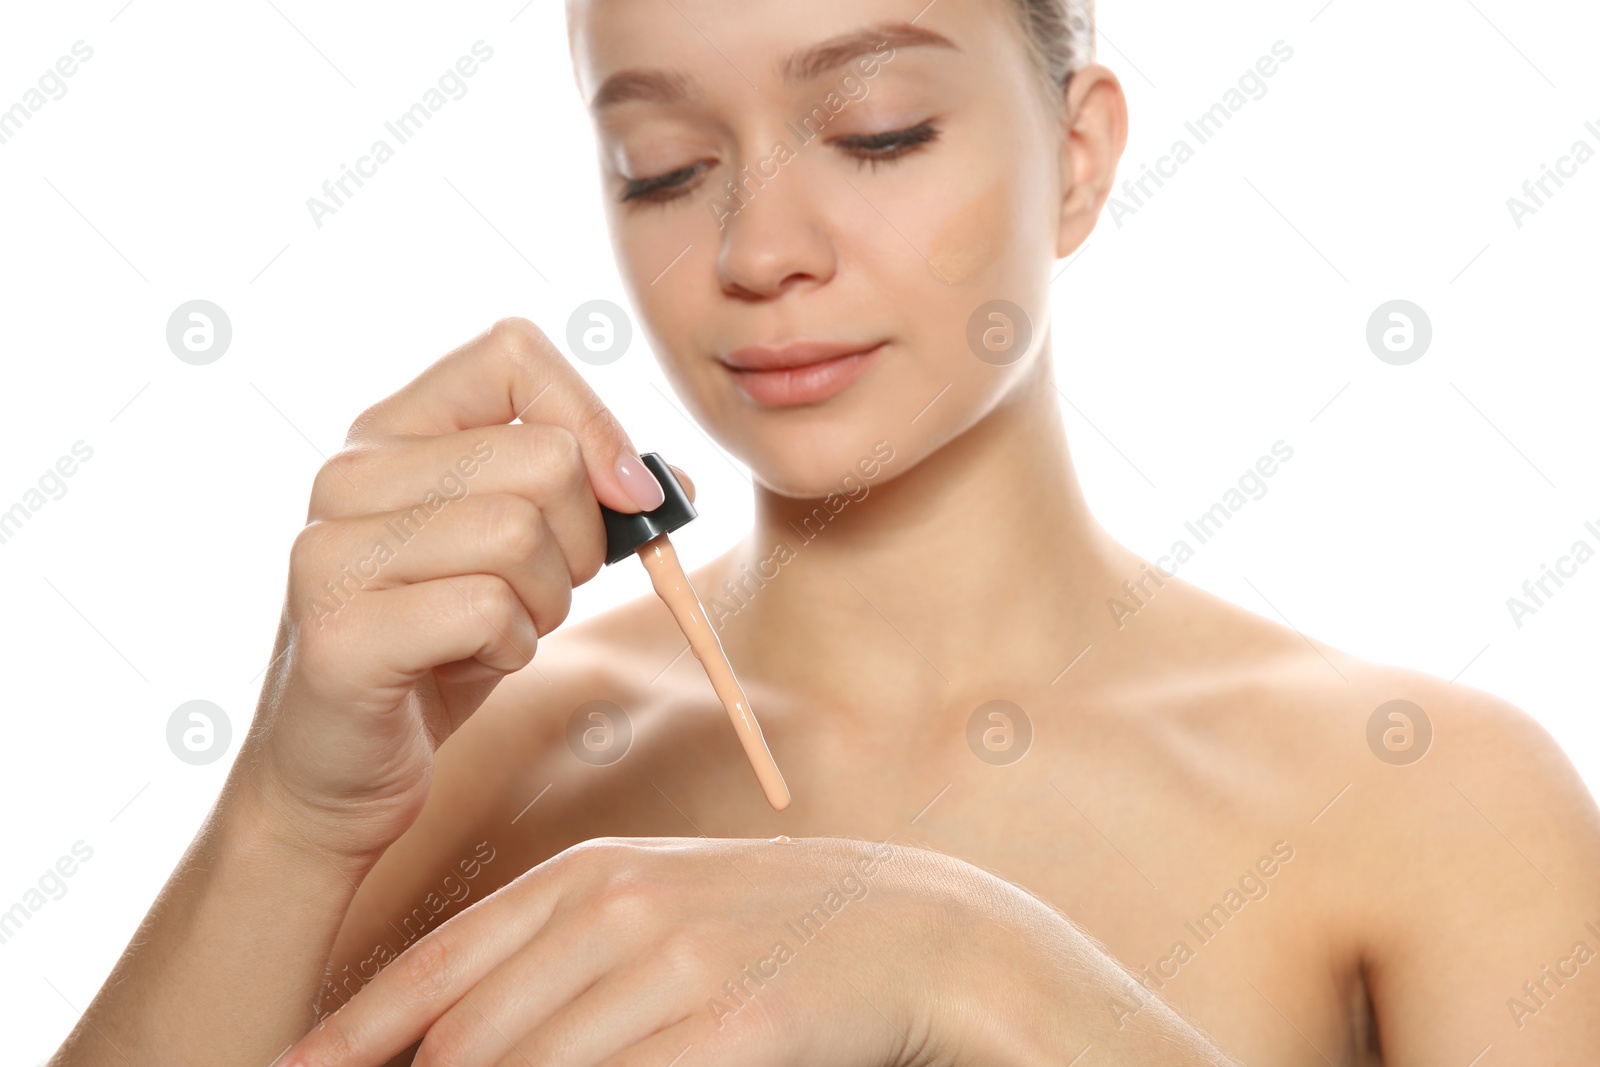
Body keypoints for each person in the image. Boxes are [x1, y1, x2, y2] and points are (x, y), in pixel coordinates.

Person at [52, 0, 1600, 1064]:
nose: (759, 250)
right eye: (664, 166)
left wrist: (976, 970)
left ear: (1079, 152)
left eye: (872, 133)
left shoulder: (1427, 800)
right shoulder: (471, 777)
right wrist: (285, 819)